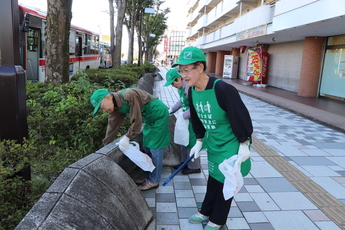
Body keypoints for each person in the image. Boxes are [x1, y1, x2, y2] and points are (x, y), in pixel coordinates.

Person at [172, 46, 253, 230]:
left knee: (227, 180)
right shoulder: (192, 91)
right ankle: (206, 210)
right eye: (181, 71)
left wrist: (244, 144)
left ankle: (218, 218)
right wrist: (199, 141)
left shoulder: (223, 89)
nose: (183, 75)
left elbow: (240, 117)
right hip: (215, 141)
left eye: (186, 70)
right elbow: (196, 118)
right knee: (215, 177)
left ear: (200, 67)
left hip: (233, 143)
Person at [90, 87, 170, 191]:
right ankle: (147, 176)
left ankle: (154, 181)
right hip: (149, 118)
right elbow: (112, 127)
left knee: (156, 148)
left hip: (158, 114)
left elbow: (137, 121)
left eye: (102, 107)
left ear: (107, 97)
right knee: (146, 147)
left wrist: (127, 137)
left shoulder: (128, 95)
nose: (104, 111)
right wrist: (106, 145)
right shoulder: (115, 107)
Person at [163, 68, 201, 174]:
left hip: (193, 120)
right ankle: (184, 162)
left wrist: (183, 116)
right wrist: (170, 110)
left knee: (192, 142)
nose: (173, 86)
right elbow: (181, 102)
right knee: (184, 141)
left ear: (179, 78)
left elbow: (195, 106)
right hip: (186, 120)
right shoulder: (181, 88)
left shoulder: (189, 88)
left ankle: (194, 166)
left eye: (173, 83)